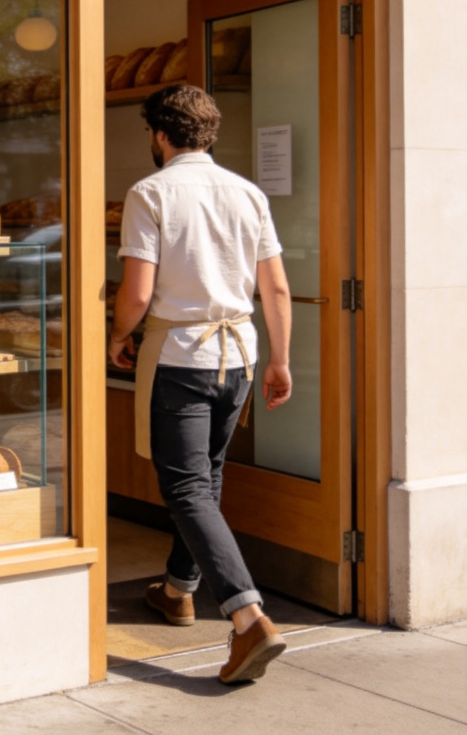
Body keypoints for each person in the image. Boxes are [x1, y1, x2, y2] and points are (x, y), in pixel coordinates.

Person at [107, 84, 293, 685]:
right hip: (238, 353)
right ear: (208, 132)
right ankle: (180, 590)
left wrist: (117, 335)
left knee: (185, 487)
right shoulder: (247, 192)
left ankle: (246, 616)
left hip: (181, 355)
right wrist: (280, 360)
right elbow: (277, 289)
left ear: (160, 135)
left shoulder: (150, 192)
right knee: (207, 477)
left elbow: (137, 292)